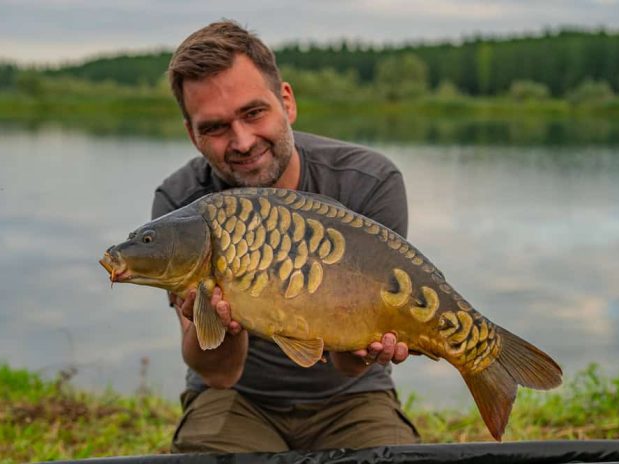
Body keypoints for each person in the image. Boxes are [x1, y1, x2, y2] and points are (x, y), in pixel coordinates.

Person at [152, 20, 420, 453]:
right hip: (235, 400)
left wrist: (365, 345)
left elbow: (349, 366)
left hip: (351, 397)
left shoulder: (368, 181)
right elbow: (218, 373)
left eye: (253, 112)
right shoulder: (181, 206)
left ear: (287, 102)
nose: (242, 141)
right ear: (192, 134)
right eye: (215, 127)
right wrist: (223, 321)